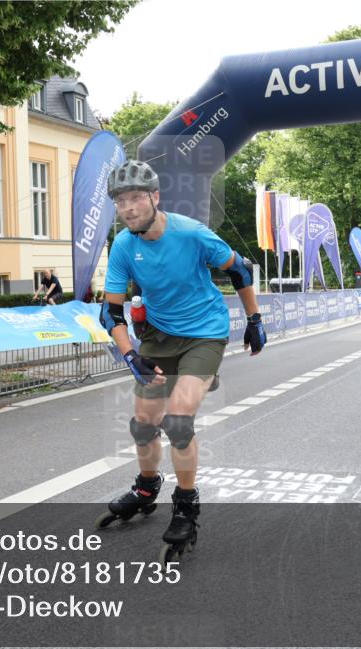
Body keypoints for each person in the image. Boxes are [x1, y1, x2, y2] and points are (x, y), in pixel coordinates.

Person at [95, 159, 265, 562]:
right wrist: (131, 355)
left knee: (178, 421)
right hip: (157, 335)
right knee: (142, 426)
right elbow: (111, 313)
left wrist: (255, 319)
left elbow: (239, 270)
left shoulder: (191, 233)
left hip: (204, 331)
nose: (128, 208)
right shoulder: (123, 245)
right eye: (120, 201)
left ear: (155, 197)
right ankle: (146, 486)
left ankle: (186, 503)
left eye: (136, 198)